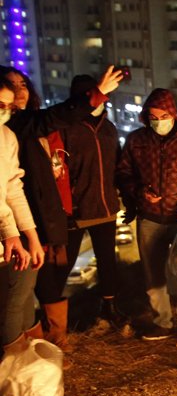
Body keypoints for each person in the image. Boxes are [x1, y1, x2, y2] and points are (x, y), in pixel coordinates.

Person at [2, 65, 121, 353]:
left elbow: (18, 185)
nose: (18, 91)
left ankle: (44, 351)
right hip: (23, 225)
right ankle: (22, 360)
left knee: (39, 286)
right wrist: (96, 95)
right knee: (20, 294)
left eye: (22, 85)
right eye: (10, 87)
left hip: (39, 222)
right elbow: (9, 190)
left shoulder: (16, 131)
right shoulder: (21, 127)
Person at [115, 89, 177, 341]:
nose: (158, 121)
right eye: (153, 116)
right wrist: (139, 192)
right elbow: (124, 173)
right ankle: (162, 321)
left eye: (163, 115)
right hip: (149, 218)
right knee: (153, 271)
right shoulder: (137, 141)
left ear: (174, 115)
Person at [55, 75, 125, 330]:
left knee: (108, 262)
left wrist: (126, 198)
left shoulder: (108, 128)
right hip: (76, 210)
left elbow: (118, 166)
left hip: (106, 208)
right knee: (63, 265)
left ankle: (110, 308)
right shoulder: (65, 128)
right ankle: (52, 317)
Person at [0, 78, 45, 356]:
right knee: (11, 301)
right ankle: (14, 361)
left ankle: (25, 362)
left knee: (23, 286)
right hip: (5, 231)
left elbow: (13, 189)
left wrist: (32, 237)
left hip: (7, 231)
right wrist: (12, 235)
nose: (4, 110)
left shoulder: (7, 137)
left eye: (7, 106)